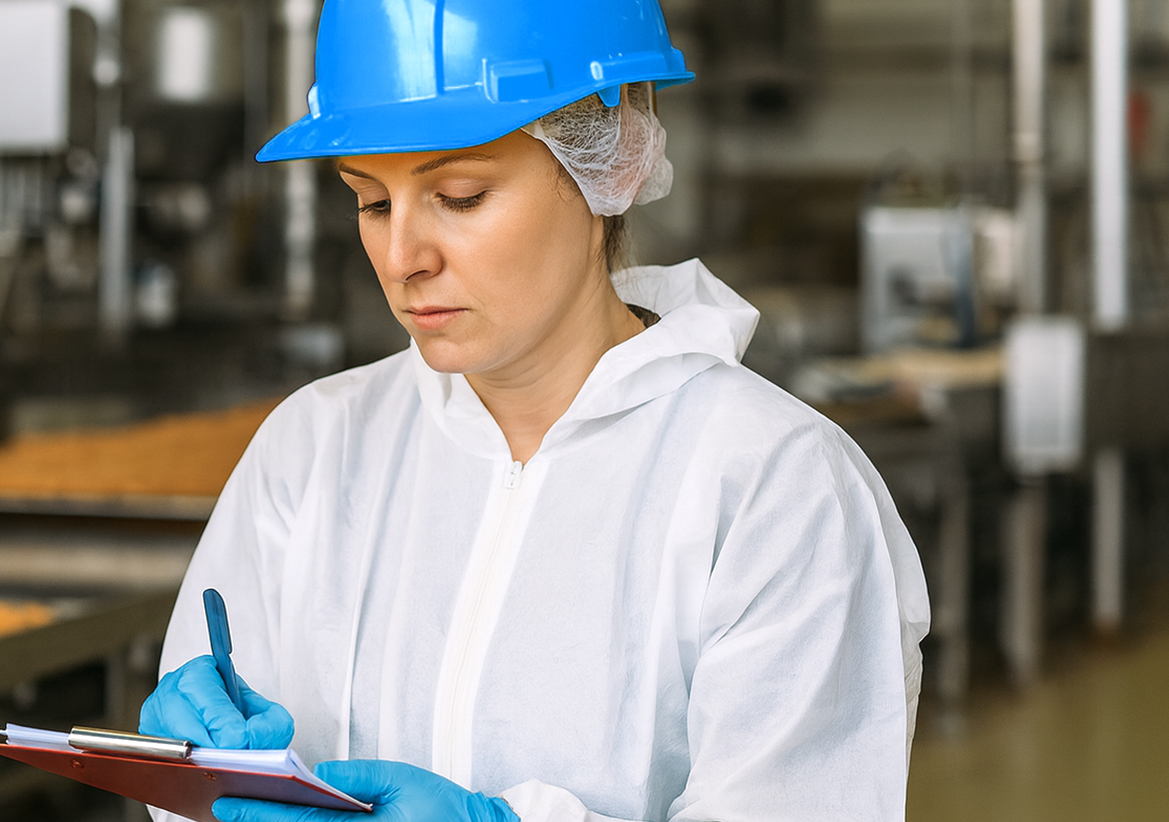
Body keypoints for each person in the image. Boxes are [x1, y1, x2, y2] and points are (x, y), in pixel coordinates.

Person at [139, 1, 930, 820]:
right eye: (372, 203)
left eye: (462, 196)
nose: (403, 259)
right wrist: (195, 775)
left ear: (605, 167)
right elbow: (216, 789)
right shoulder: (315, 449)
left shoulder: (773, 486)